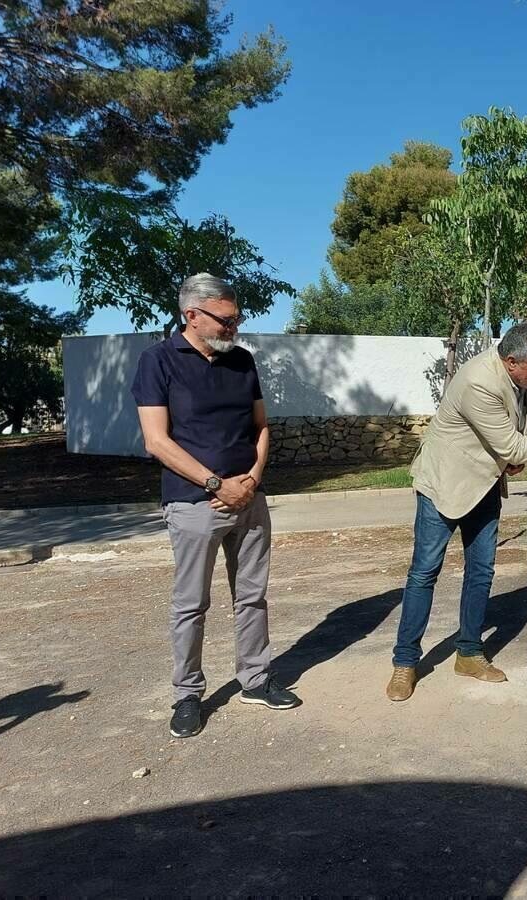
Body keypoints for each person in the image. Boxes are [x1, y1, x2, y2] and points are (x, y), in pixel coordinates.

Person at [386, 323, 527, 702]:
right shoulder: (479, 382)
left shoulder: (517, 380)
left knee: (482, 571)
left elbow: (507, 441)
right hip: (444, 486)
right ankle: (405, 662)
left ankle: (469, 654)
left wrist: (506, 458)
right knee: (424, 573)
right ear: (511, 361)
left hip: (484, 483)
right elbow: (513, 446)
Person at [132, 273, 300, 739]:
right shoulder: (158, 361)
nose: (234, 327)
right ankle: (188, 694)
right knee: (191, 604)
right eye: (226, 320)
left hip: (250, 498)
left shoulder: (242, 362)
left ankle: (256, 679)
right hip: (194, 503)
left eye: (237, 318)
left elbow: (261, 427)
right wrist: (214, 483)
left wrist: (251, 479)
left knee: (252, 596)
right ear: (192, 315)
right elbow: (156, 441)